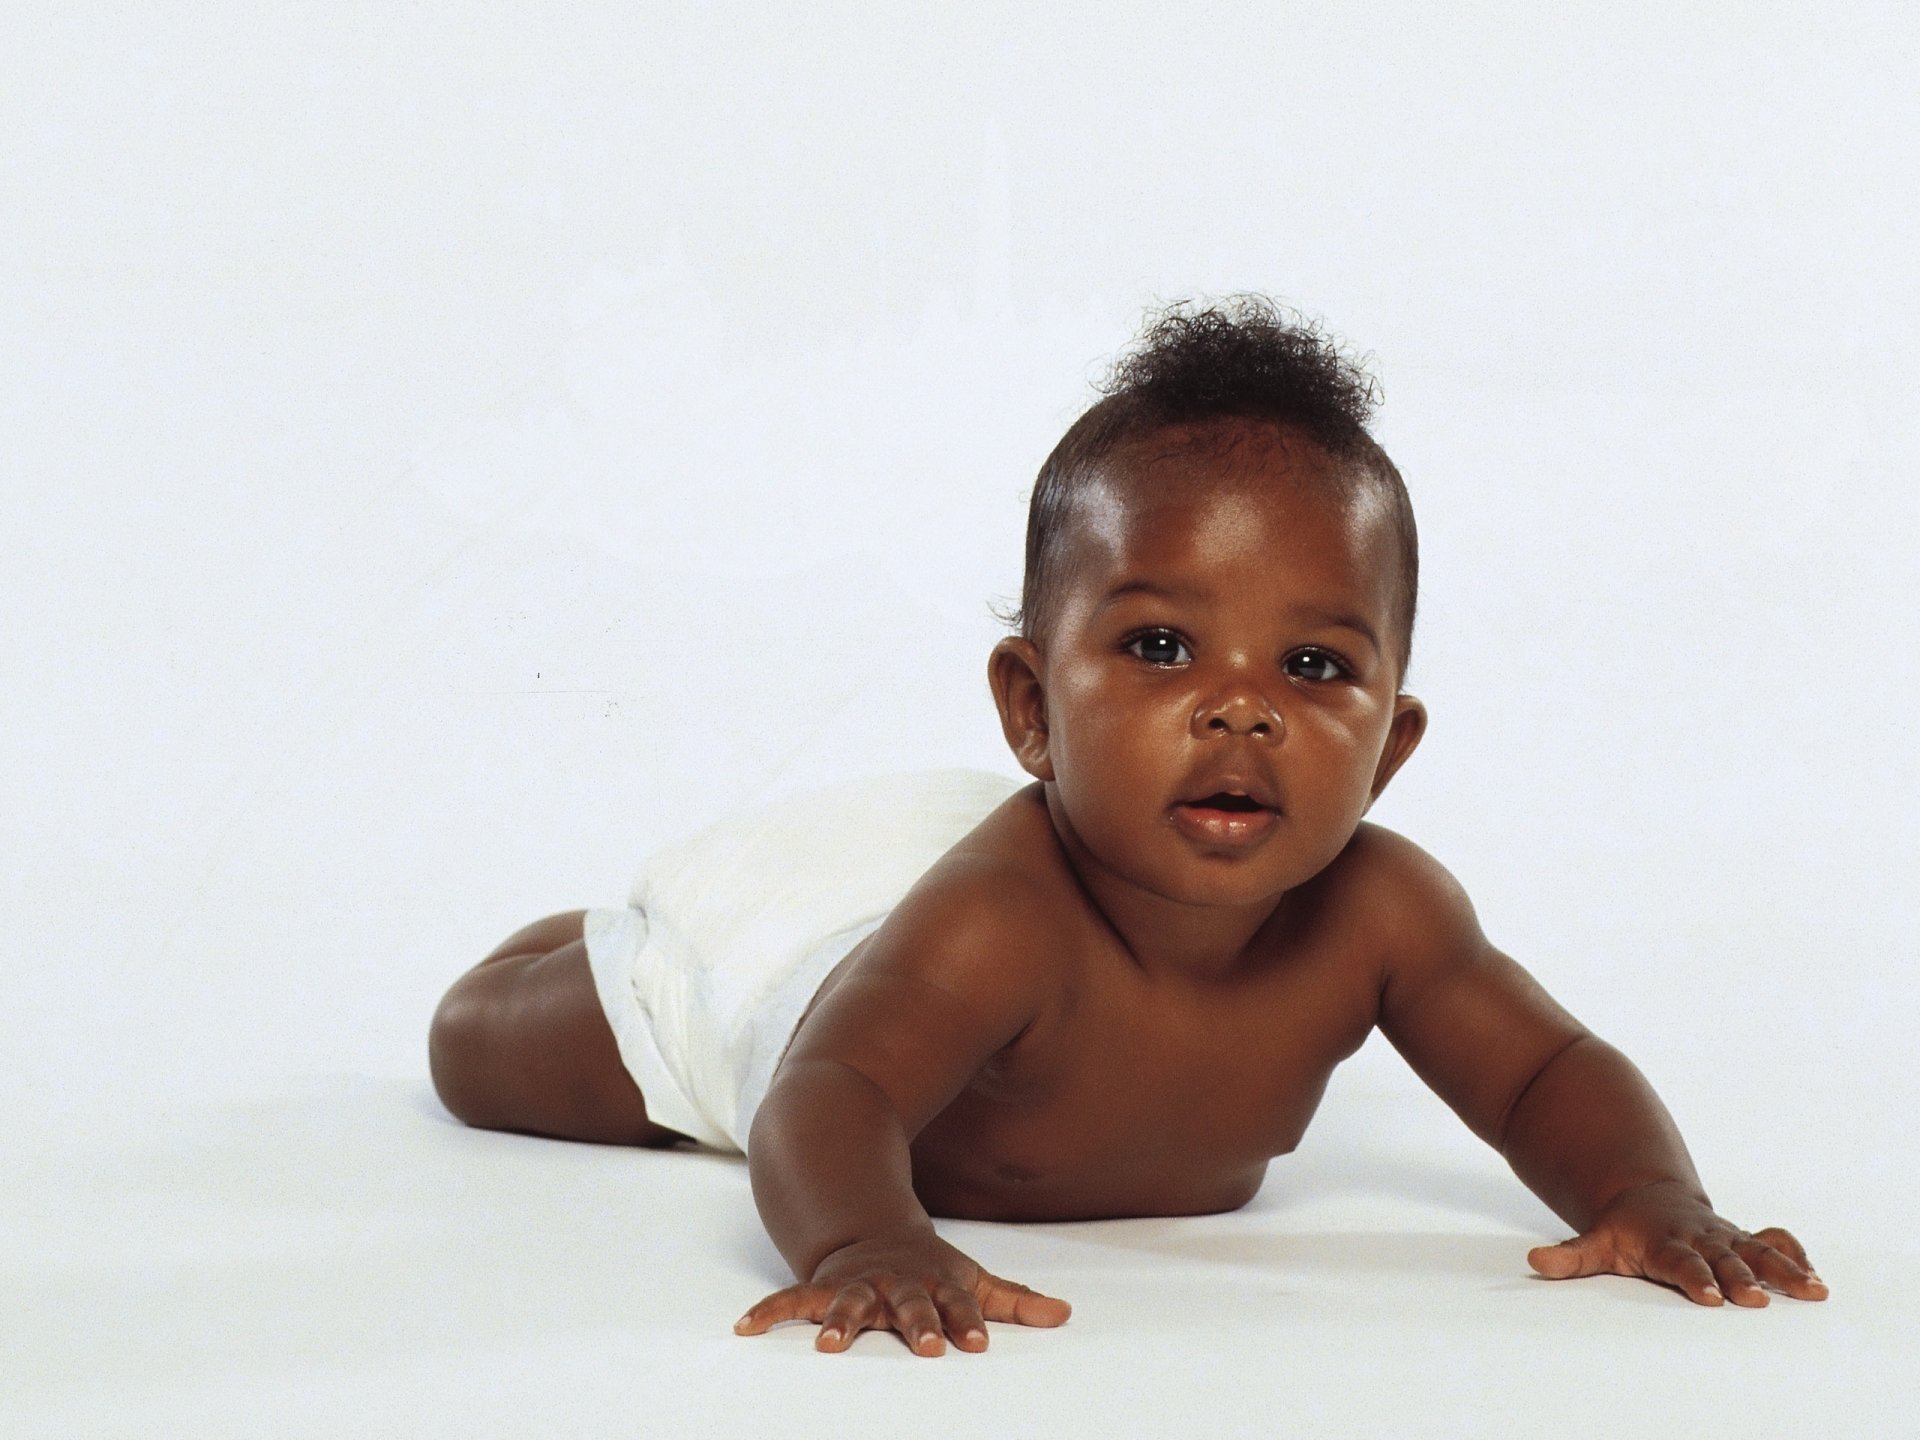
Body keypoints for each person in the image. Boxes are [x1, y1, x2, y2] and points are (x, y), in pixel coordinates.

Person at [427, 297, 1826, 1358]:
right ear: (1033, 709)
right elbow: (830, 1095)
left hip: (912, 936)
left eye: (1317, 667)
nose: (1239, 713)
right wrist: (868, 1237)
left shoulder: (1384, 917)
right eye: (1160, 646)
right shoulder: (1005, 917)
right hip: (788, 989)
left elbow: (1544, 1074)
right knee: (490, 1052)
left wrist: (1650, 1192)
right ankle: (578, 947)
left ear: (1391, 747)